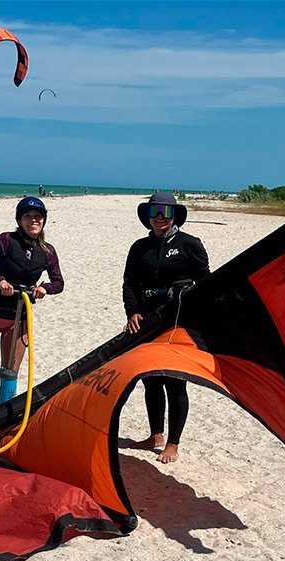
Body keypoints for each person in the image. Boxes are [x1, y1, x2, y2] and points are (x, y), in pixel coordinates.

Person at [122, 191, 210, 463]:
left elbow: (206, 285)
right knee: (150, 380)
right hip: (147, 321)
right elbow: (129, 284)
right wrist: (133, 312)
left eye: (166, 212)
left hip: (178, 323)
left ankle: (173, 443)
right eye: (154, 212)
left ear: (175, 216)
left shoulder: (189, 244)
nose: (159, 217)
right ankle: (155, 435)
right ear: (147, 216)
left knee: (175, 383)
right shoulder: (139, 247)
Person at [0, 196, 64, 416]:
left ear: (43, 221)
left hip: (19, 316)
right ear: (20, 220)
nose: (33, 220)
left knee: (10, 373)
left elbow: (58, 282)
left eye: (38, 217)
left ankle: (0, 423)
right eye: (28, 216)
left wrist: (44, 288)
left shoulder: (47, 251)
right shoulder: (5, 240)